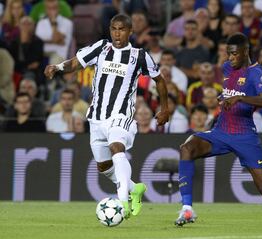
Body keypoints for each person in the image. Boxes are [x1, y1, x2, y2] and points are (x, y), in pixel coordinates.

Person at [174, 33, 262, 228]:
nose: (230, 58)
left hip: (245, 137)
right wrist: (224, 97)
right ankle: (187, 208)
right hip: (221, 131)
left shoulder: (256, 73)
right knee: (187, 148)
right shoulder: (227, 68)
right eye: (228, 54)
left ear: (245, 51)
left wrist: (240, 98)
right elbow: (230, 91)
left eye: (234, 54)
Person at [44, 14, 170, 219]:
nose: (117, 33)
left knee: (116, 147)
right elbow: (76, 63)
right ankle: (134, 189)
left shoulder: (139, 55)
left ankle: (122, 201)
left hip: (121, 115)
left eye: (121, 29)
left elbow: (160, 80)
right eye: (113, 29)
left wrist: (165, 109)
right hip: (96, 116)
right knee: (103, 166)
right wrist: (57, 67)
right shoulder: (101, 48)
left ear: (130, 32)